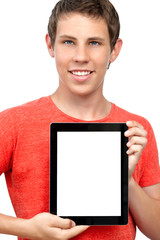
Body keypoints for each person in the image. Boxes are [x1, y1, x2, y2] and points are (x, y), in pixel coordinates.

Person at [0, 0, 160, 239]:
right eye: (68, 42)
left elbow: (157, 230)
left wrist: (125, 180)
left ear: (114, 50)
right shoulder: (14, 123)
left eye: (94, 43)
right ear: (50, 45)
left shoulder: (136, 130)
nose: (81, 56)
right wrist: (27, 228)